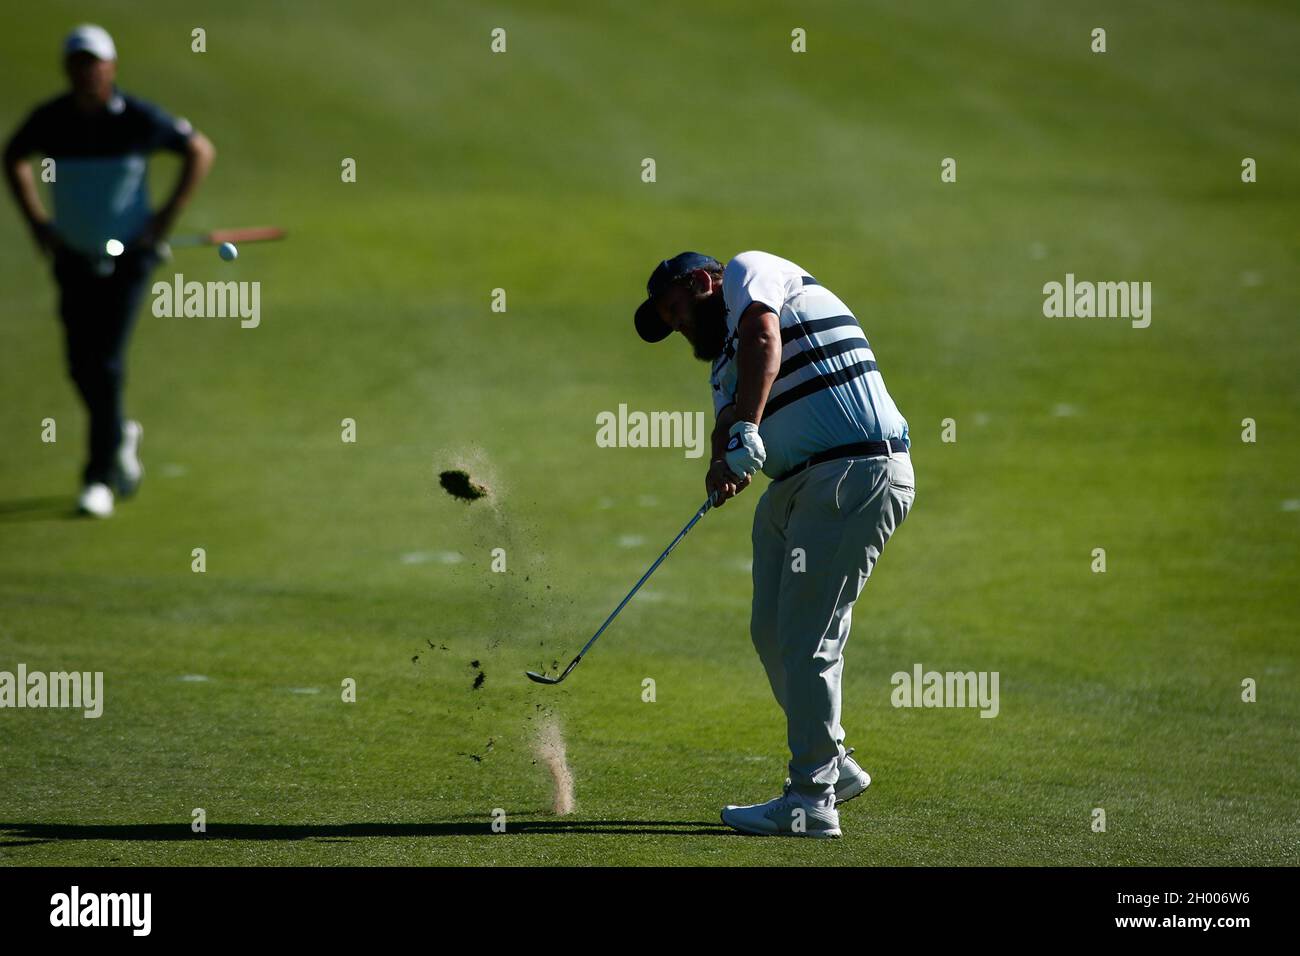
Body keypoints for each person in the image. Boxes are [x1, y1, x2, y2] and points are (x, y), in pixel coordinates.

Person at [634, 250, 916, 838]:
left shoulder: (747, 273)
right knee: (771, 631)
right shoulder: (721, 365)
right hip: (794, 489)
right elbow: (727, 418)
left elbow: (765, 337)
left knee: (809, 638)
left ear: (704, 283)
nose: (681, 327)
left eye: (679, 311)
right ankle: (833, 764)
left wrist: (746, 431)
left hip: (855, 471)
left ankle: (811, 799)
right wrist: (721, 463)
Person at [3, 24, 216, 517]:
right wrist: (38, 223)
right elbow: (13, 156)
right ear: (68, 69)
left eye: (94, 62)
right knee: (80, 362)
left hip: (130, 258)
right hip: (73, 256)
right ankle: (119, 432)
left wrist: (165, 218)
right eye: (78, 63)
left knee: (105, 361)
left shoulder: (137, 118)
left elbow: (199, 150)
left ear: (111, 67)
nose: (87, 72)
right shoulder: (51, 120)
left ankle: (98, 477)